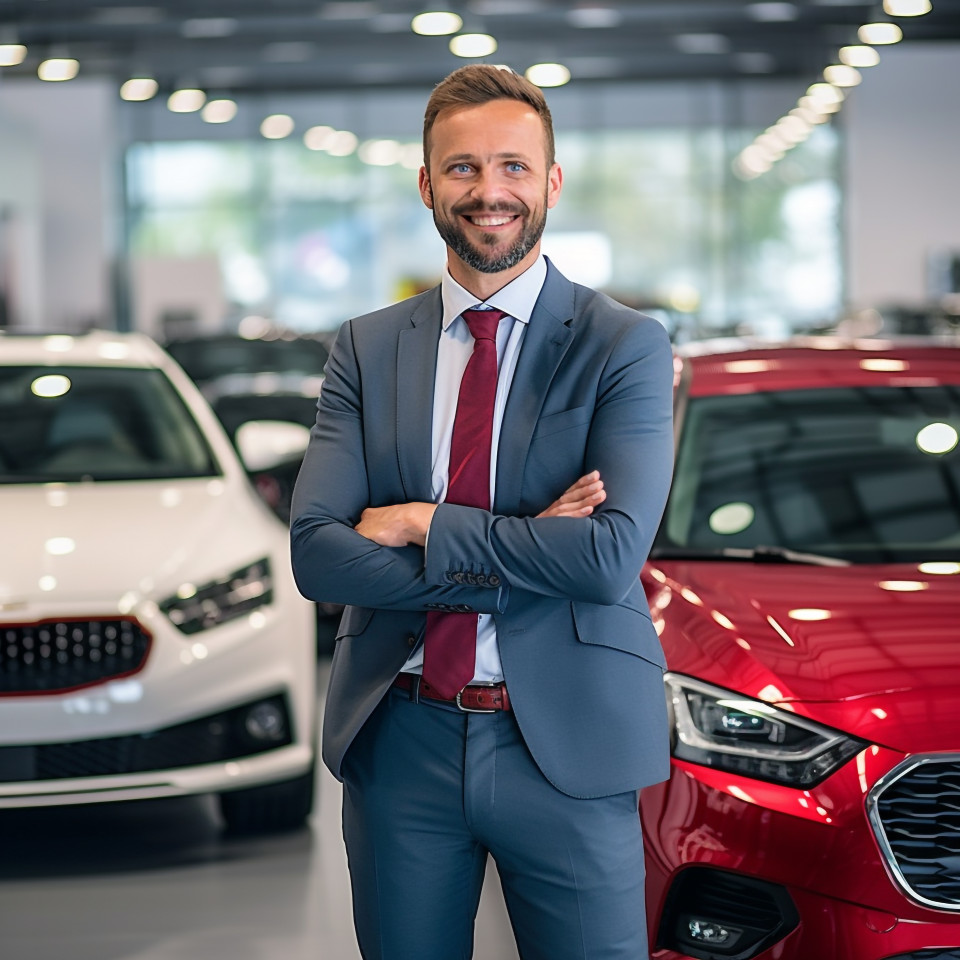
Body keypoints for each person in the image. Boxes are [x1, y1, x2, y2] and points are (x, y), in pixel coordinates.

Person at [290, 63, 674, 960]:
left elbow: (608, 559)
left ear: (551, 182)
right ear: (428, 184)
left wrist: (423, 521)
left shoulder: (624, 345)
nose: (488, 190)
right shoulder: (366, 348)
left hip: (569, 743)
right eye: (462, 168)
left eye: (512, 166)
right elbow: (317, 555)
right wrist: (533, 542)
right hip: (400, 736)